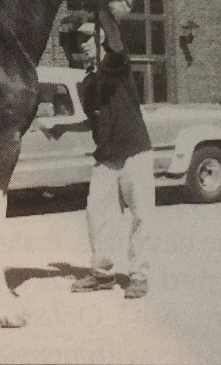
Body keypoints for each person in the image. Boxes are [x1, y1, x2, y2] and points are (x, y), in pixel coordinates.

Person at [71, 20, 155, 299]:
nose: (82, 44)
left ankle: (139, 276)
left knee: (142, 215)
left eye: (88, 38)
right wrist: (61, 128)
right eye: (80, 40)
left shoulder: (117, 66)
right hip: (107, 156)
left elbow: (117, 41)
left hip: (135, 151)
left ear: (102, 40)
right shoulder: (87, 82)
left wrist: (106, 13)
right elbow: (93, 121)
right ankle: (102, 274)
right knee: (97, 215)